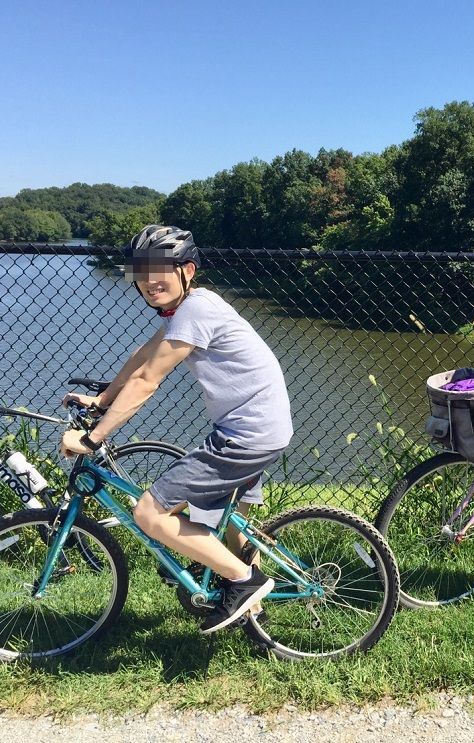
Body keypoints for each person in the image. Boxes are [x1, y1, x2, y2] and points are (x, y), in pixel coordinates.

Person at [60, 225, 293, 634]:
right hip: (258, 428)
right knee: (228, 524)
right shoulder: (187, 310)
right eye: (139, 272)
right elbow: (145, 354)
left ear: (186, 269)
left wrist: (93, 437)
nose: (149, 281)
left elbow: (148, 380)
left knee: (150, 512)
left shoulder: (197, 310)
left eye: (158, 270)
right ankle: (254, 616)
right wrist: (102, 401)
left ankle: (246, 581)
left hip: (245, 434)